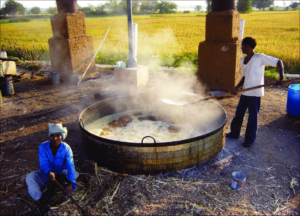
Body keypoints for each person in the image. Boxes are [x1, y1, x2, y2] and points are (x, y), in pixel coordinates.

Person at [226, 37, 284, 147]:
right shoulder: (243, 60)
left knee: (252, 117)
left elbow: (279, 62)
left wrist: (281, 78)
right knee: (239, 114)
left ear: (247, 46)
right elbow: (244, 76)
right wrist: (237, 87)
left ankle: (249, 139)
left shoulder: (259, 58)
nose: (241, 48)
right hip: (245, 93)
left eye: (242, 46)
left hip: (255, 94)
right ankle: (234, 133)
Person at [25, 123, 79, 212]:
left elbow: (70, 165)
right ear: (49, 137)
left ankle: (51, 187)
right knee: (30, 177)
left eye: (58, 135)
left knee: (74, 174)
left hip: (62, 172)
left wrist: (70, 184)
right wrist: (49, 172)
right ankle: (39, 199)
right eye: (52, 135)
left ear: (62, 136)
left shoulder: (66, 148)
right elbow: (44, 164)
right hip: (47, 174)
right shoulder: (43, 147)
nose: (55, 138)